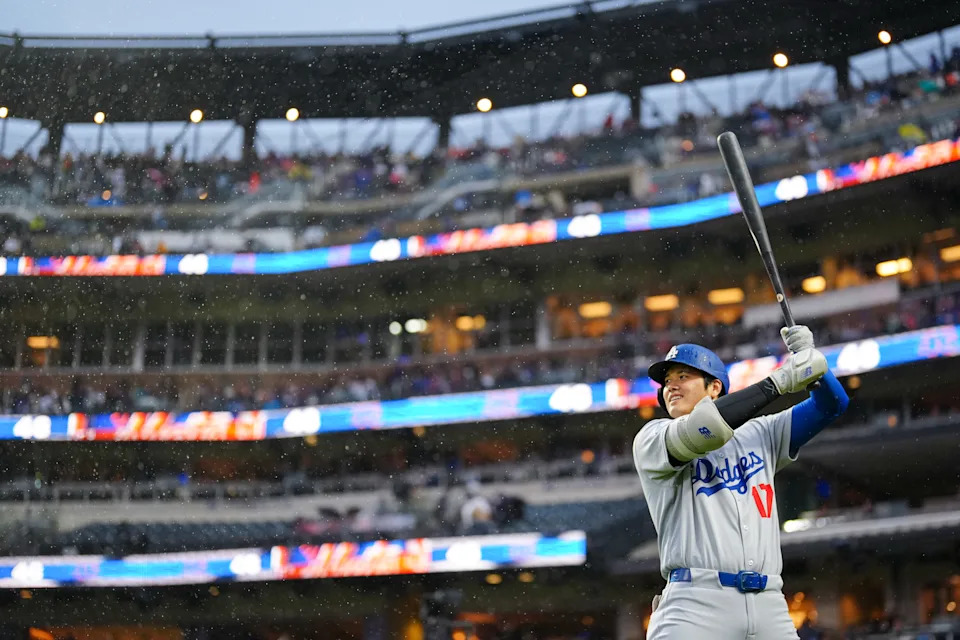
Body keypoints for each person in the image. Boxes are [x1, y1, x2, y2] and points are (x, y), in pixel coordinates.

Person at [634, 326, 849, 639]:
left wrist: (814, 364)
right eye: (667, 381)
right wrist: (778, 383)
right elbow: (707, 426)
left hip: (769, 601)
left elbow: (832, 405)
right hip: (696, 601)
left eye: (683, 376)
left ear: (715, 387)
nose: (671, 386)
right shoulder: (652, 438)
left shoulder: (761, 433)